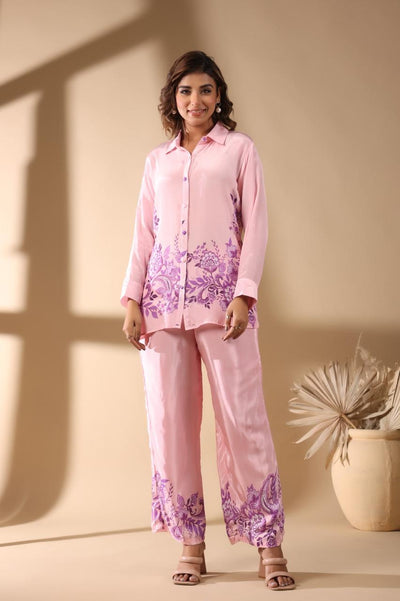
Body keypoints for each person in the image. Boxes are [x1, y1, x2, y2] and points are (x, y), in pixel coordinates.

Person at [121, 50, 295, 590]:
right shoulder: (158, 160)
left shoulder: (239, 150)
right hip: (161, 307)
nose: (195, 100)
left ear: (218, 96)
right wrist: (131, 300)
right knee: (171, 425)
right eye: (185, 91)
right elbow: (143, 233)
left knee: (243, 420)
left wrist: (245, 294)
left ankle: (268, 544)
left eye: (205, 90)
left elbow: (256, 225)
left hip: (223, 306)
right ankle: (190, 543)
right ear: (173, 99)